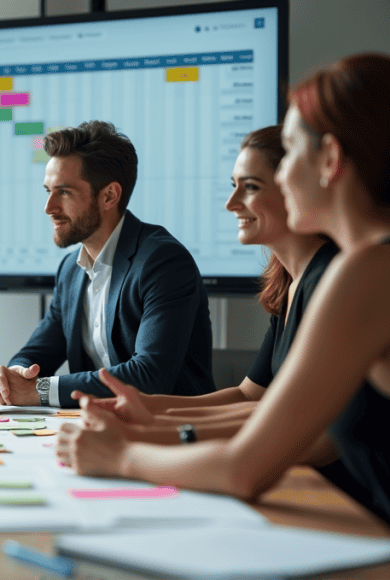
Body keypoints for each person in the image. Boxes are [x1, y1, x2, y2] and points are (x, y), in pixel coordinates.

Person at [56, 53, 390, 526]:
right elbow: (264, 407)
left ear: (330, 159)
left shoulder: (368, 272)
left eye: (291, 152)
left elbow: (244, 470)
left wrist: (121, 455)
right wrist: (152, 420)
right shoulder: (367, 267)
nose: (283, 172)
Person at [71, 126, 335, 444]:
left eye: (250, 187)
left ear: (294, 187)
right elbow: (249, 395)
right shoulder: (290, 286)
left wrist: (161, 432)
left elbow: (293, 419)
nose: (231, 203)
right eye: (233, 186)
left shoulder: (328, 281)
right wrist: (148, 408)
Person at [0, 121, 215, 408]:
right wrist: (13, 376)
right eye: (48, 191)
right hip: (104, 429)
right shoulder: (70, 269)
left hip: (171, 433)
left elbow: (150, 375)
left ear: (109, 196)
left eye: (64, 192)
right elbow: (37, 353)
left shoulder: (163, 261)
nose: (49, 207)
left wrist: (39, 390)